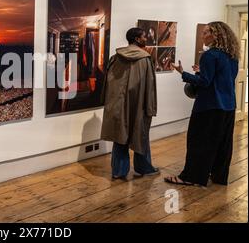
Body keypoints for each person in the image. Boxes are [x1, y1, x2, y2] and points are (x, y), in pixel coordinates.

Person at [165, 22, 240, 187]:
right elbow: (222, 79)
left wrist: (183, 73)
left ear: (216, 35)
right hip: (228, 106)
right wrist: (201, 71)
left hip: (209, 106)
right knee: (222, 144)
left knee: (199, 142)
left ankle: (192, 177)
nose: (202, 35)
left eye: (206, 33)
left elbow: (205, 83)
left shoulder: (210, 55)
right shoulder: (232, 55)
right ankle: (219, 177)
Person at [100, 27, 159, 180]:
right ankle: (144, 168)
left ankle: (119, 171)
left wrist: (107, 103)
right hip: (139, 105)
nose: (146, 39)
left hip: (118, 104)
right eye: (144, 36)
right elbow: (150, 87)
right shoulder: (145, 59)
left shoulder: (115, 57)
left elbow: (108, 83)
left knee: (120, 136)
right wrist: (150, 107)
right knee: (141, 135)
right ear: (138, 39)